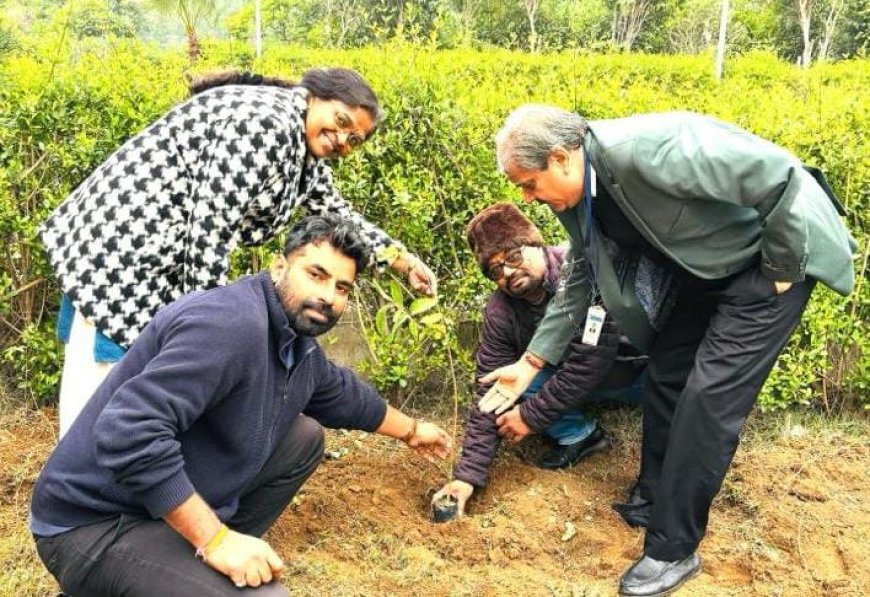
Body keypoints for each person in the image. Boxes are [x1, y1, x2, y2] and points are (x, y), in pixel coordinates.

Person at [479, 106, 856, 596]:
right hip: (707, 271)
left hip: (770, 268)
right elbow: (581, 277)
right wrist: (530, 364)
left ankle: (673, 548)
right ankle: (653, 496)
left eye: (529, 183)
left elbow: (778, 175)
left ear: (561, 158)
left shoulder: (647, 151)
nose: (529, 197)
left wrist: (782, 265)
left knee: (708, 400)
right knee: (667, 376)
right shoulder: (575, 200)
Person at [30, 215, 452, 596]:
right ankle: (196, 556)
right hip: (92, 523)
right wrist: (215, 541)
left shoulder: (294, 340)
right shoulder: (230, 325)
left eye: (341, 287)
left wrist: (413, 430)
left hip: (149, 509)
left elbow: (343, 396)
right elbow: (128, 432)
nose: (328, 296)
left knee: (304, 437)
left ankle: (192, 562)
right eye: (316, 274)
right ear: (279, 266)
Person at [39, 68, 437, 437]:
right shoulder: (265, 124)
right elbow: (211, 227)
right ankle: (72, 499)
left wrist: (402, 261)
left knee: (138, 379)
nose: (342, 139)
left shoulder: (301, 147)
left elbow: (339, 214)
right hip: (124, 253)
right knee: (105, 382)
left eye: (354, 140)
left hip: (156, 259)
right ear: (316, 96)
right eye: (342, 121)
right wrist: (208, 325)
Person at [431, 202, 645, 516]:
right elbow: (489, 393)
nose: (506, 272)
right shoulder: (500, 311)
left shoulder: (581, 270)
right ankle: (581, 437)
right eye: (494, 269)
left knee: (673, 387)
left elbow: (591, 360)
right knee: (505, 386)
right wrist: (466, 478)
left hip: (633, 370)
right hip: (575, 380)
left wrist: (530, 417)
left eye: (513, 256)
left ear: (536, 243)